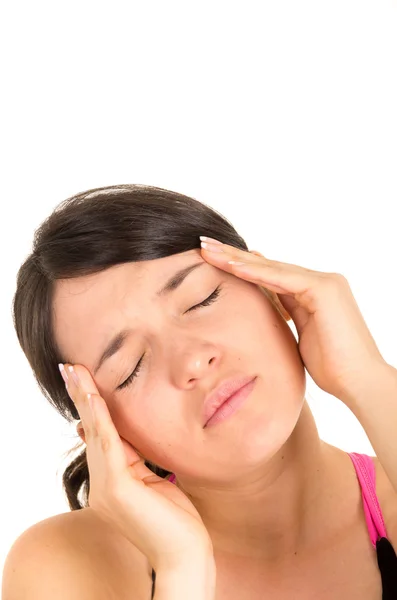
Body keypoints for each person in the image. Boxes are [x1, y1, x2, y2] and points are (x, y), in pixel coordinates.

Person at [3, 184, 397, 599]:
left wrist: (367, 377)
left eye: (201, 300)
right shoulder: (64, 569)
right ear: (107, 433)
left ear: (273, 289)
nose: (192, 361)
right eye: (130, 368)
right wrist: (182, 568)